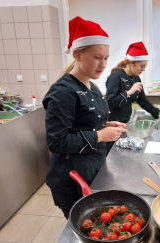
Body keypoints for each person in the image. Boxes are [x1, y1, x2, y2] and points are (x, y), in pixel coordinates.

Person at [42, 16, 127, 219]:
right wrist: (100, 135)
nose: (103, 64)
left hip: (93, 168)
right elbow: (57, 141)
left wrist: (105, 124)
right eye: (97, 57)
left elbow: (83, 122)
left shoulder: (92, 85)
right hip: (72, 178)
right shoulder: (63, 91)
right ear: (78, 54)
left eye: (106, 58)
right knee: (84, 228)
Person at [105, 41, 160, 153]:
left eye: (145, 66)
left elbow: (144, 102)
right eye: (142, 66)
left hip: (125, 124)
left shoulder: (136, 78)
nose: (143, 69)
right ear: (132, 62)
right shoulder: (116, 76)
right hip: (112, 126)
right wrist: (129, 92)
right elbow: (109, 102)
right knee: (112, 156)